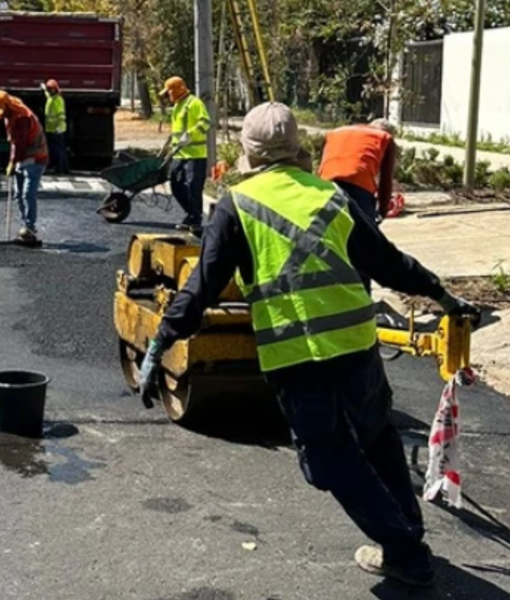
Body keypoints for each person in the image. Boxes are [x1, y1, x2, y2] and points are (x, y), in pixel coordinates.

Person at [137, 102, 480, 588]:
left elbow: (202, 289)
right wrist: (443, 296)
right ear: (298, 148)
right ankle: (405, 533)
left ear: (248, 151)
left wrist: (159, 346)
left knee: (328, 461)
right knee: (378, 439)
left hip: (298, 356)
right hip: (358, 348)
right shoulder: (333, 197)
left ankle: (406, 550)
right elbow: (388, 262)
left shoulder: (239, 204)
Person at [0, 90, 49, 243]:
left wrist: (12, 162)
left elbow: (20, 144)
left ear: (8, 106)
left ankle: (30, 227)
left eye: (1, 111)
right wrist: (12, 160)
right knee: (18, 194)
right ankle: (26, 226)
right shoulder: (9, 115)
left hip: (36, 156)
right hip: (23, 156)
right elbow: (14, 143)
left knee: (28, 194)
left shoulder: (21, 117)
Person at [318, 118, 398, 222]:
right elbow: (385, 182)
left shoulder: (336, 132)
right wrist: (382, 212)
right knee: (363, 233)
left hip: (324, 184)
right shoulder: (385, 138)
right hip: (357, 186)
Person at [159, 76, 212, 232]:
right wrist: (171, 142)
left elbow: (206, 123)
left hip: (195, 155)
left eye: (169, 92)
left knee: (193, 187)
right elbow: (178, 130)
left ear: (177, 90)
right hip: (179, 154)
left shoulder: (194, 103)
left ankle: (195, 220)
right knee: (176, 186)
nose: (168, 96)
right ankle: (190, 214)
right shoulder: (178, 106)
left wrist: (190, 134)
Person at [41, 79, 68, 174]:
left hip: (57, 130)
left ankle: (61, 169)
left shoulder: (58, 100)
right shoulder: (51, 98)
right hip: (51, 129)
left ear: (56, 89)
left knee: (59, 150)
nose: (49, 90)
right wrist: (43, 88)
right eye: (48, 89)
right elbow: (47, 96)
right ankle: (60, 167)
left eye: (51, 89)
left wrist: (59, 128)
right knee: (55, 149)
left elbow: (61, 115)